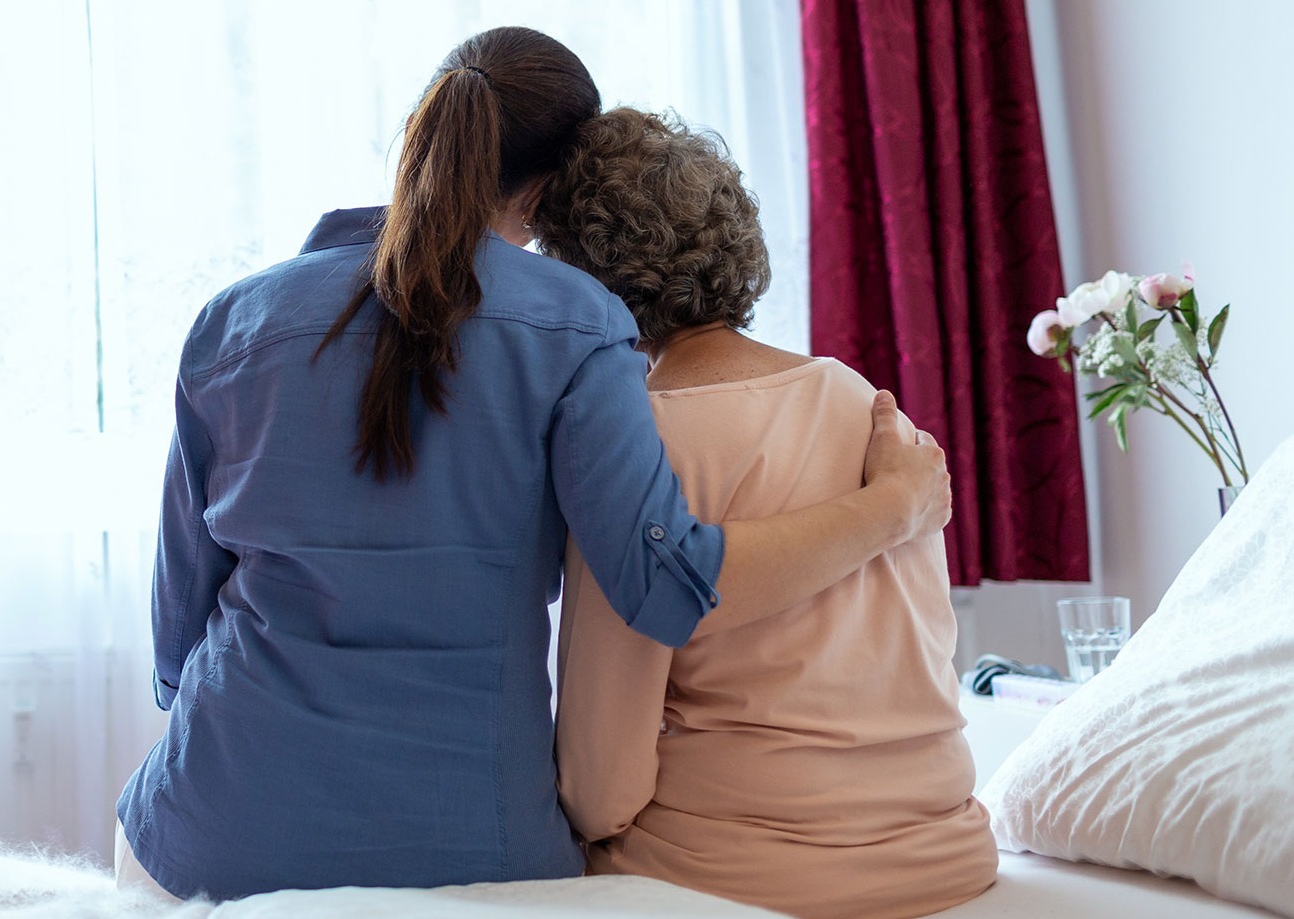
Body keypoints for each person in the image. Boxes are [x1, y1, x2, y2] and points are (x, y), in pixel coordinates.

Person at [116, 30, 952, 902]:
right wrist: (891, 506)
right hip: (475, 848)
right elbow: (666, 586)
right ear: (551, 193)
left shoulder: (233, 320)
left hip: (211, 830)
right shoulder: (582, 325)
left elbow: (178, 632)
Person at [538, 108, 996, 919]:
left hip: (746, 872)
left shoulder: (632, 446)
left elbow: (601, 786)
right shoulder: (868, 403)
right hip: (946, 851)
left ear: (582, 279)